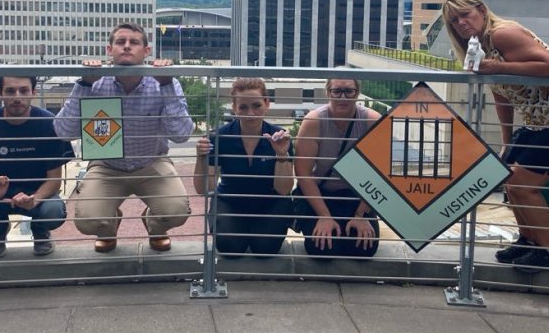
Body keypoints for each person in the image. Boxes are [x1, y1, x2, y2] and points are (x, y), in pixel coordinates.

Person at [442, 0, 549, 272]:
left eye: (465, 15)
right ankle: (528, 240)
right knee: (509, 175)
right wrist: (507, 141)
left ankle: (548, 253)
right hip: (545, 119)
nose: (461, 23)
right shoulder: (478, 44)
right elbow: (502, 93)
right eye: (454, 21)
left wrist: (496, 66)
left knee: (521, 183)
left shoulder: (502, 34)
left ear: (481, 10)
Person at [54, 23, 192, 253]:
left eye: (134, 42)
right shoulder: (93, 82)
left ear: (146, 51)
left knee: (176, 210)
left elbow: (181, 134)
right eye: (120, 42)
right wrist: (83, 85)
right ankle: (108, 225)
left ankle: (155, 225)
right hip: (107, 165)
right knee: (88, 220)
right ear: (110, 50)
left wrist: (167, 84)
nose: (127, 46)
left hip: (151, 162)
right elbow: (63, 132)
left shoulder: (165, 83)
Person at [0, 76, 75, 258]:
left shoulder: (50, 124)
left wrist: (35, 199)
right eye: (10, 91)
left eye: (23, 90)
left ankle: (40, 231)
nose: (17, 97)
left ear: (33, 92)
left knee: (53, 211)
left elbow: (54, 180)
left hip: (38, 194)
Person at [193, 78, 294, 256]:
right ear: (234, 107)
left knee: (265, 249)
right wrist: (201, 158)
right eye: (243, 107)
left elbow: (284, 189)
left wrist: (281, 155)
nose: (251, 113)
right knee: (229, 247)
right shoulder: (219, 137)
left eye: (256, 105)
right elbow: (204, 189)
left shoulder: (280, 138)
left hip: (269, 203)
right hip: (231, 201)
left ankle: (256, 230)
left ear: (267, 104)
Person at [294, 78, 382, 258]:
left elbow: (380, 174)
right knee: (322, 249)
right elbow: (303, 172)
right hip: (322, 195)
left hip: (358, 196)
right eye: (337, 91)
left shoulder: (371, 121)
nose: (343, 96)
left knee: (364, 249)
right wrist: (324, 216)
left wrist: (361, 215)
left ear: (357, 93)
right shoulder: (314, 121)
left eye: (348, 91)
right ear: (328, 92)